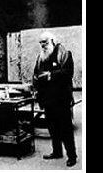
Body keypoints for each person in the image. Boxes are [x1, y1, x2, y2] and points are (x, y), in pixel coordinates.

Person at [33, 31, 77, 166]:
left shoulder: (64, 54)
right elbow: (35, 74)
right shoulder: (40, 57)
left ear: (52, 40)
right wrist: (35, 87)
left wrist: (50, 75)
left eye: (45, 42)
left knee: (66, 129)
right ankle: (57, 152)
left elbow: (68, 73)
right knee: (52, 127)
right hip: (47, 99)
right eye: (40, 43)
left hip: (61, 99)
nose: (43, 45)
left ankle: (72, 156)